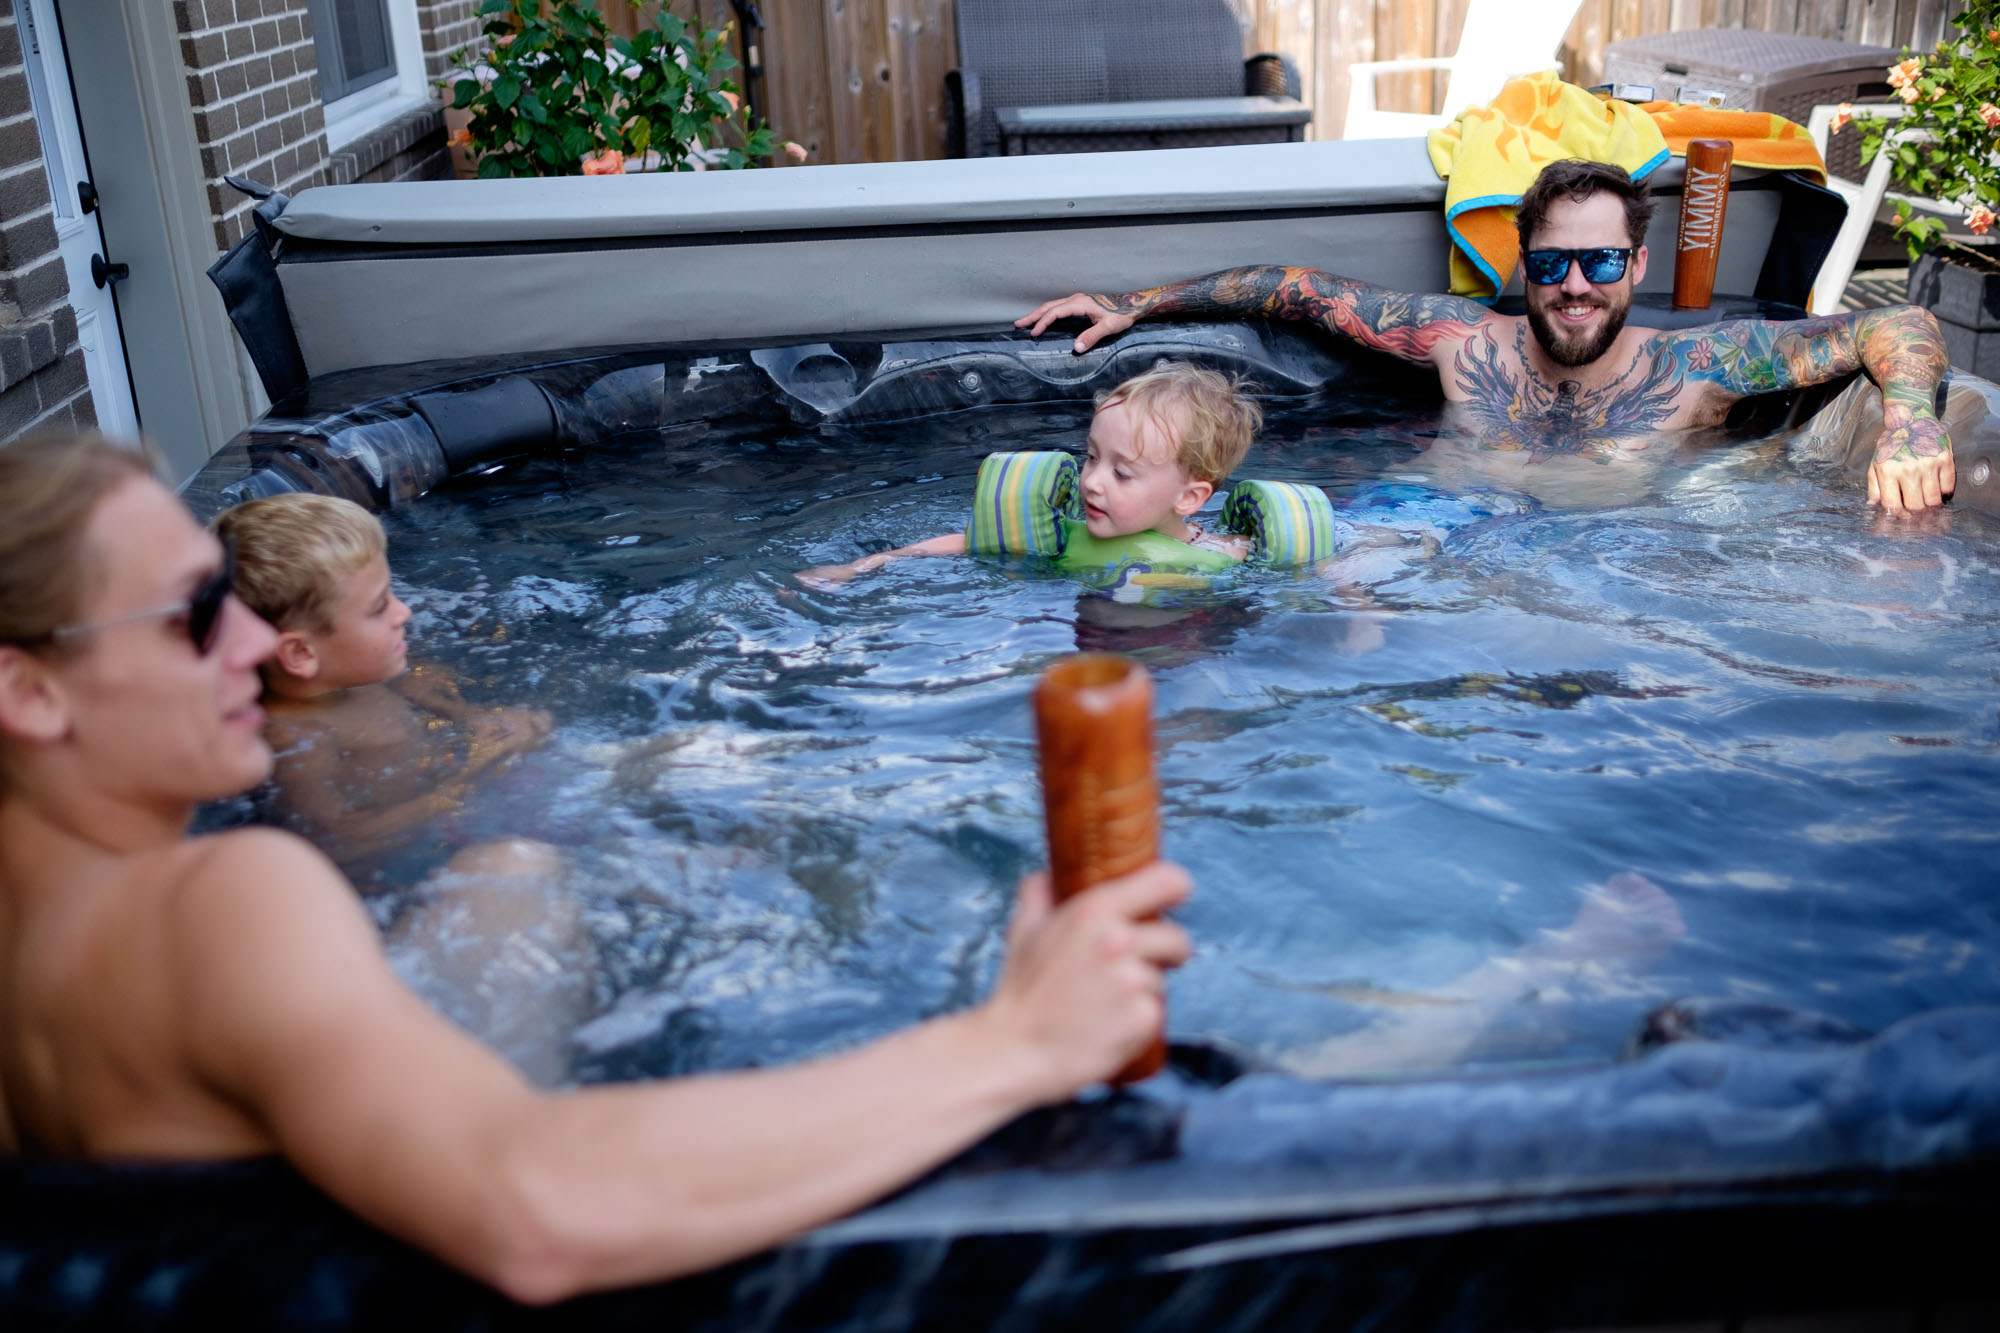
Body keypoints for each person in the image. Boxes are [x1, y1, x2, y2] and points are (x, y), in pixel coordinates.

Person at [0, 432, 1192, 1302]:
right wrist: (1017, 1039)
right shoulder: (223, 900)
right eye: (193, 612)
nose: (257, 642)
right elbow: (531, 1209)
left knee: (508, 869)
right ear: (27, 689)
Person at [1019, 158, 1955, 514]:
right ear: (1526, 266)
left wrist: (1911, 423)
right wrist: (1136, 304)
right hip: (1427, 547)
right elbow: (1293, 290)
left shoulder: (1699, 367)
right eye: (1551, 266)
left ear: (1635, 266)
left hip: (1609, 573)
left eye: (1598, 264)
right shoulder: (1463, 342)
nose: (1575, 288)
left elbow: (1898, 323)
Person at [212, 492, 554, 885]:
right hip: (391, 875)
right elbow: (342, 839)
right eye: (379, 607)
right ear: (302, 653)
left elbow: (410, 684)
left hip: (433, 797)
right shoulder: (296, 738)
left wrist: (471, 716)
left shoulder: (349, 673)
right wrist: (469, 780)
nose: (403, 611)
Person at [799, 362, 1263, 587]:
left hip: (1183, 652)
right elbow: (966, 541)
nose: (1092, 481)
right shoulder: (1060, 535)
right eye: (1092, 458)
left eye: (1122, 473)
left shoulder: (1231, 553)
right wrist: (865, 564)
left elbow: (1328, 561)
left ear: (1189, 498)